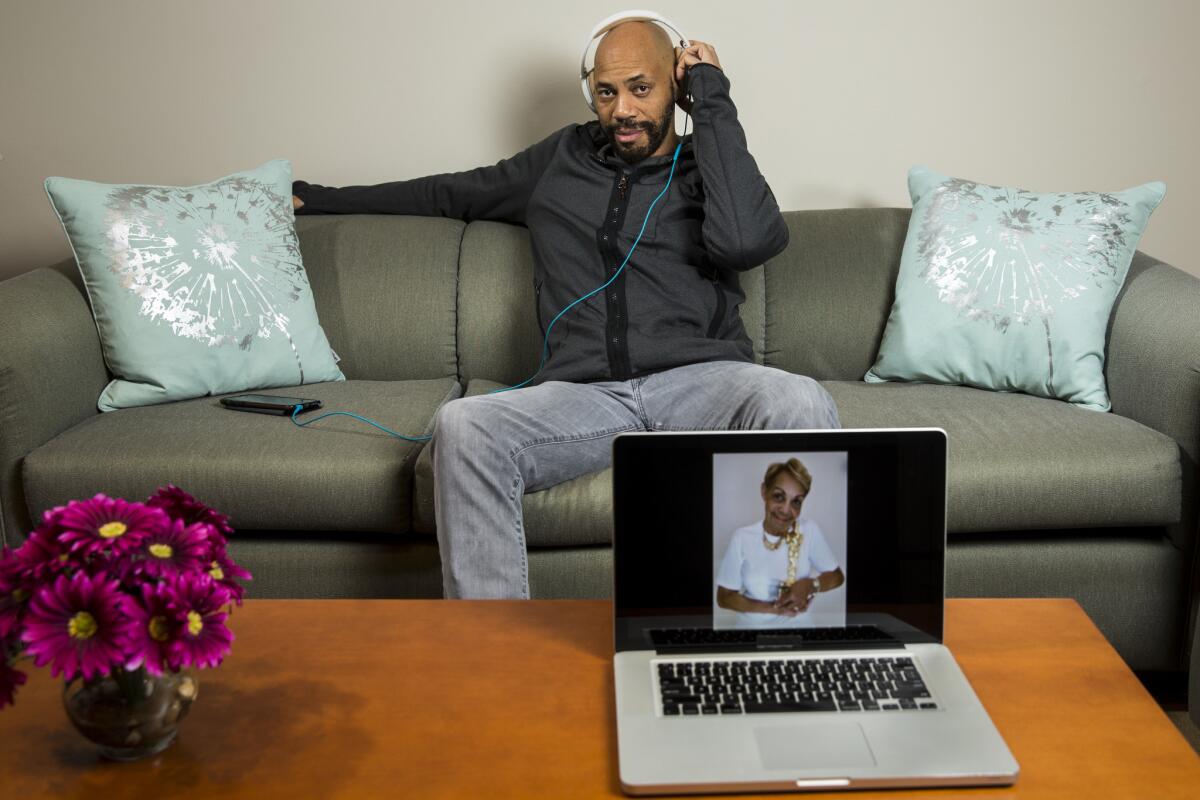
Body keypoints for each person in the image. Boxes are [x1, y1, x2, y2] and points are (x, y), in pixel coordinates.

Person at [291, 15, 841, 599]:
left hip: (701, 385)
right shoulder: (561, 158)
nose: (623, 108)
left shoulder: (709, 163)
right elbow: (451, 190)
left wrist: (711, 96)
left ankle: (795, 639)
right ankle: (497, 652)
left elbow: (747, 241)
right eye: (607, 92)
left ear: (674, 88)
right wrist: (322, 199)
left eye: (641, 87)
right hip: (584, 399)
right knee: (463, 424)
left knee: (797, 397)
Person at [716, 458, 845, 628]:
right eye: (778, 496)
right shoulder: (742, 538)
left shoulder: (809, 530)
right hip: (753, 633)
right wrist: (772, 609)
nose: (786, 510)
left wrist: (811, 585)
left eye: (796, 502)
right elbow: (724, 597)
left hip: (800, 632)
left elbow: (837, 577)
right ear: (764, 491)